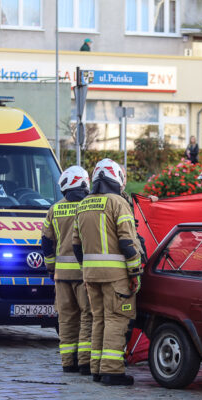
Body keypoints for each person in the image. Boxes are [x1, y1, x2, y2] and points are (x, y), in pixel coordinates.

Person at [72, 159, 142, 386]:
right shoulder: (118, 203)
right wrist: (135, 272)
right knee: (116, 319)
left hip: (90, 275)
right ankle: (112, 371)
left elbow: (76, 245)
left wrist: (87, 269)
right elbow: (128, 243)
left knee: (98, 319)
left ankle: (96, 368)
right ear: (116, 179)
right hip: (116, 275)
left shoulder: (83, 204)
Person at [41, 166, 93, 374]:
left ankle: (67, 363)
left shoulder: (54, 209)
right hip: (83, 274)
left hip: (61, 276)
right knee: (87, 316)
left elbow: (46, 241)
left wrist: (51, 266)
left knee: (66, 318)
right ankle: (84, 362)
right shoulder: (88, 206)